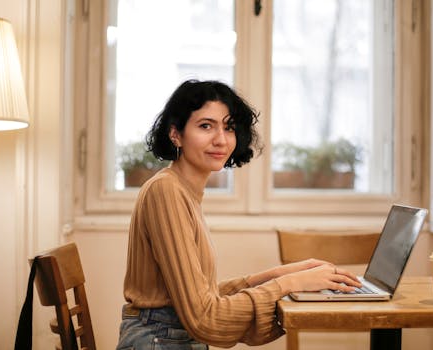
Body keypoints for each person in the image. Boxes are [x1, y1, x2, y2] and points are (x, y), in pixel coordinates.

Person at [116, 79, 361, 350]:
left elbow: (200, 297)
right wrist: (291, 284)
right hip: (158, 342)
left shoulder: (181, 190)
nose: (221, 139)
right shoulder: (166, 192)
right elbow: (205, 318)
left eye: (229, 127)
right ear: (176, 134)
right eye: (206, 126)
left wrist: (283, 274)